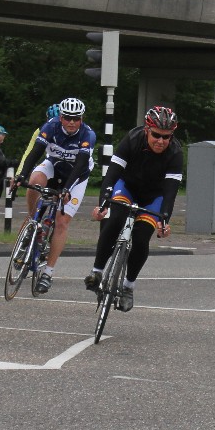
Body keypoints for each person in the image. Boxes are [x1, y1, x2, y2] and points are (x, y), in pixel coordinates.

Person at [84, 106, 183, 312]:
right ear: (147, 130)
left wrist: (164, 221)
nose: (161, 141)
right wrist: (103, 204)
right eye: (156, 135)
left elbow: (170, 192)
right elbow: (112, 174)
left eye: (166, 137)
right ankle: (97, 271)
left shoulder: (175, 152)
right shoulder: (132, 139)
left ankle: (128, 287)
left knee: (141, 238)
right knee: (114, 220)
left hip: (153, 197)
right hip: (127, 187)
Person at [13, 97, 96, 294]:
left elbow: (80, 165)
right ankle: (33, 221)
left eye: (76, 118)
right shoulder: (50, 126)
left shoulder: (88, 134)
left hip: (77, 176)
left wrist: (66, 189)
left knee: (61, 222)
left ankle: (48, 273)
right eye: (67, 118)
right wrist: (21, 175)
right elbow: (36, 152)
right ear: (61, 117)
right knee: (34, 181)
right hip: (54, 165)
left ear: (82, 118)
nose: (72, 122)